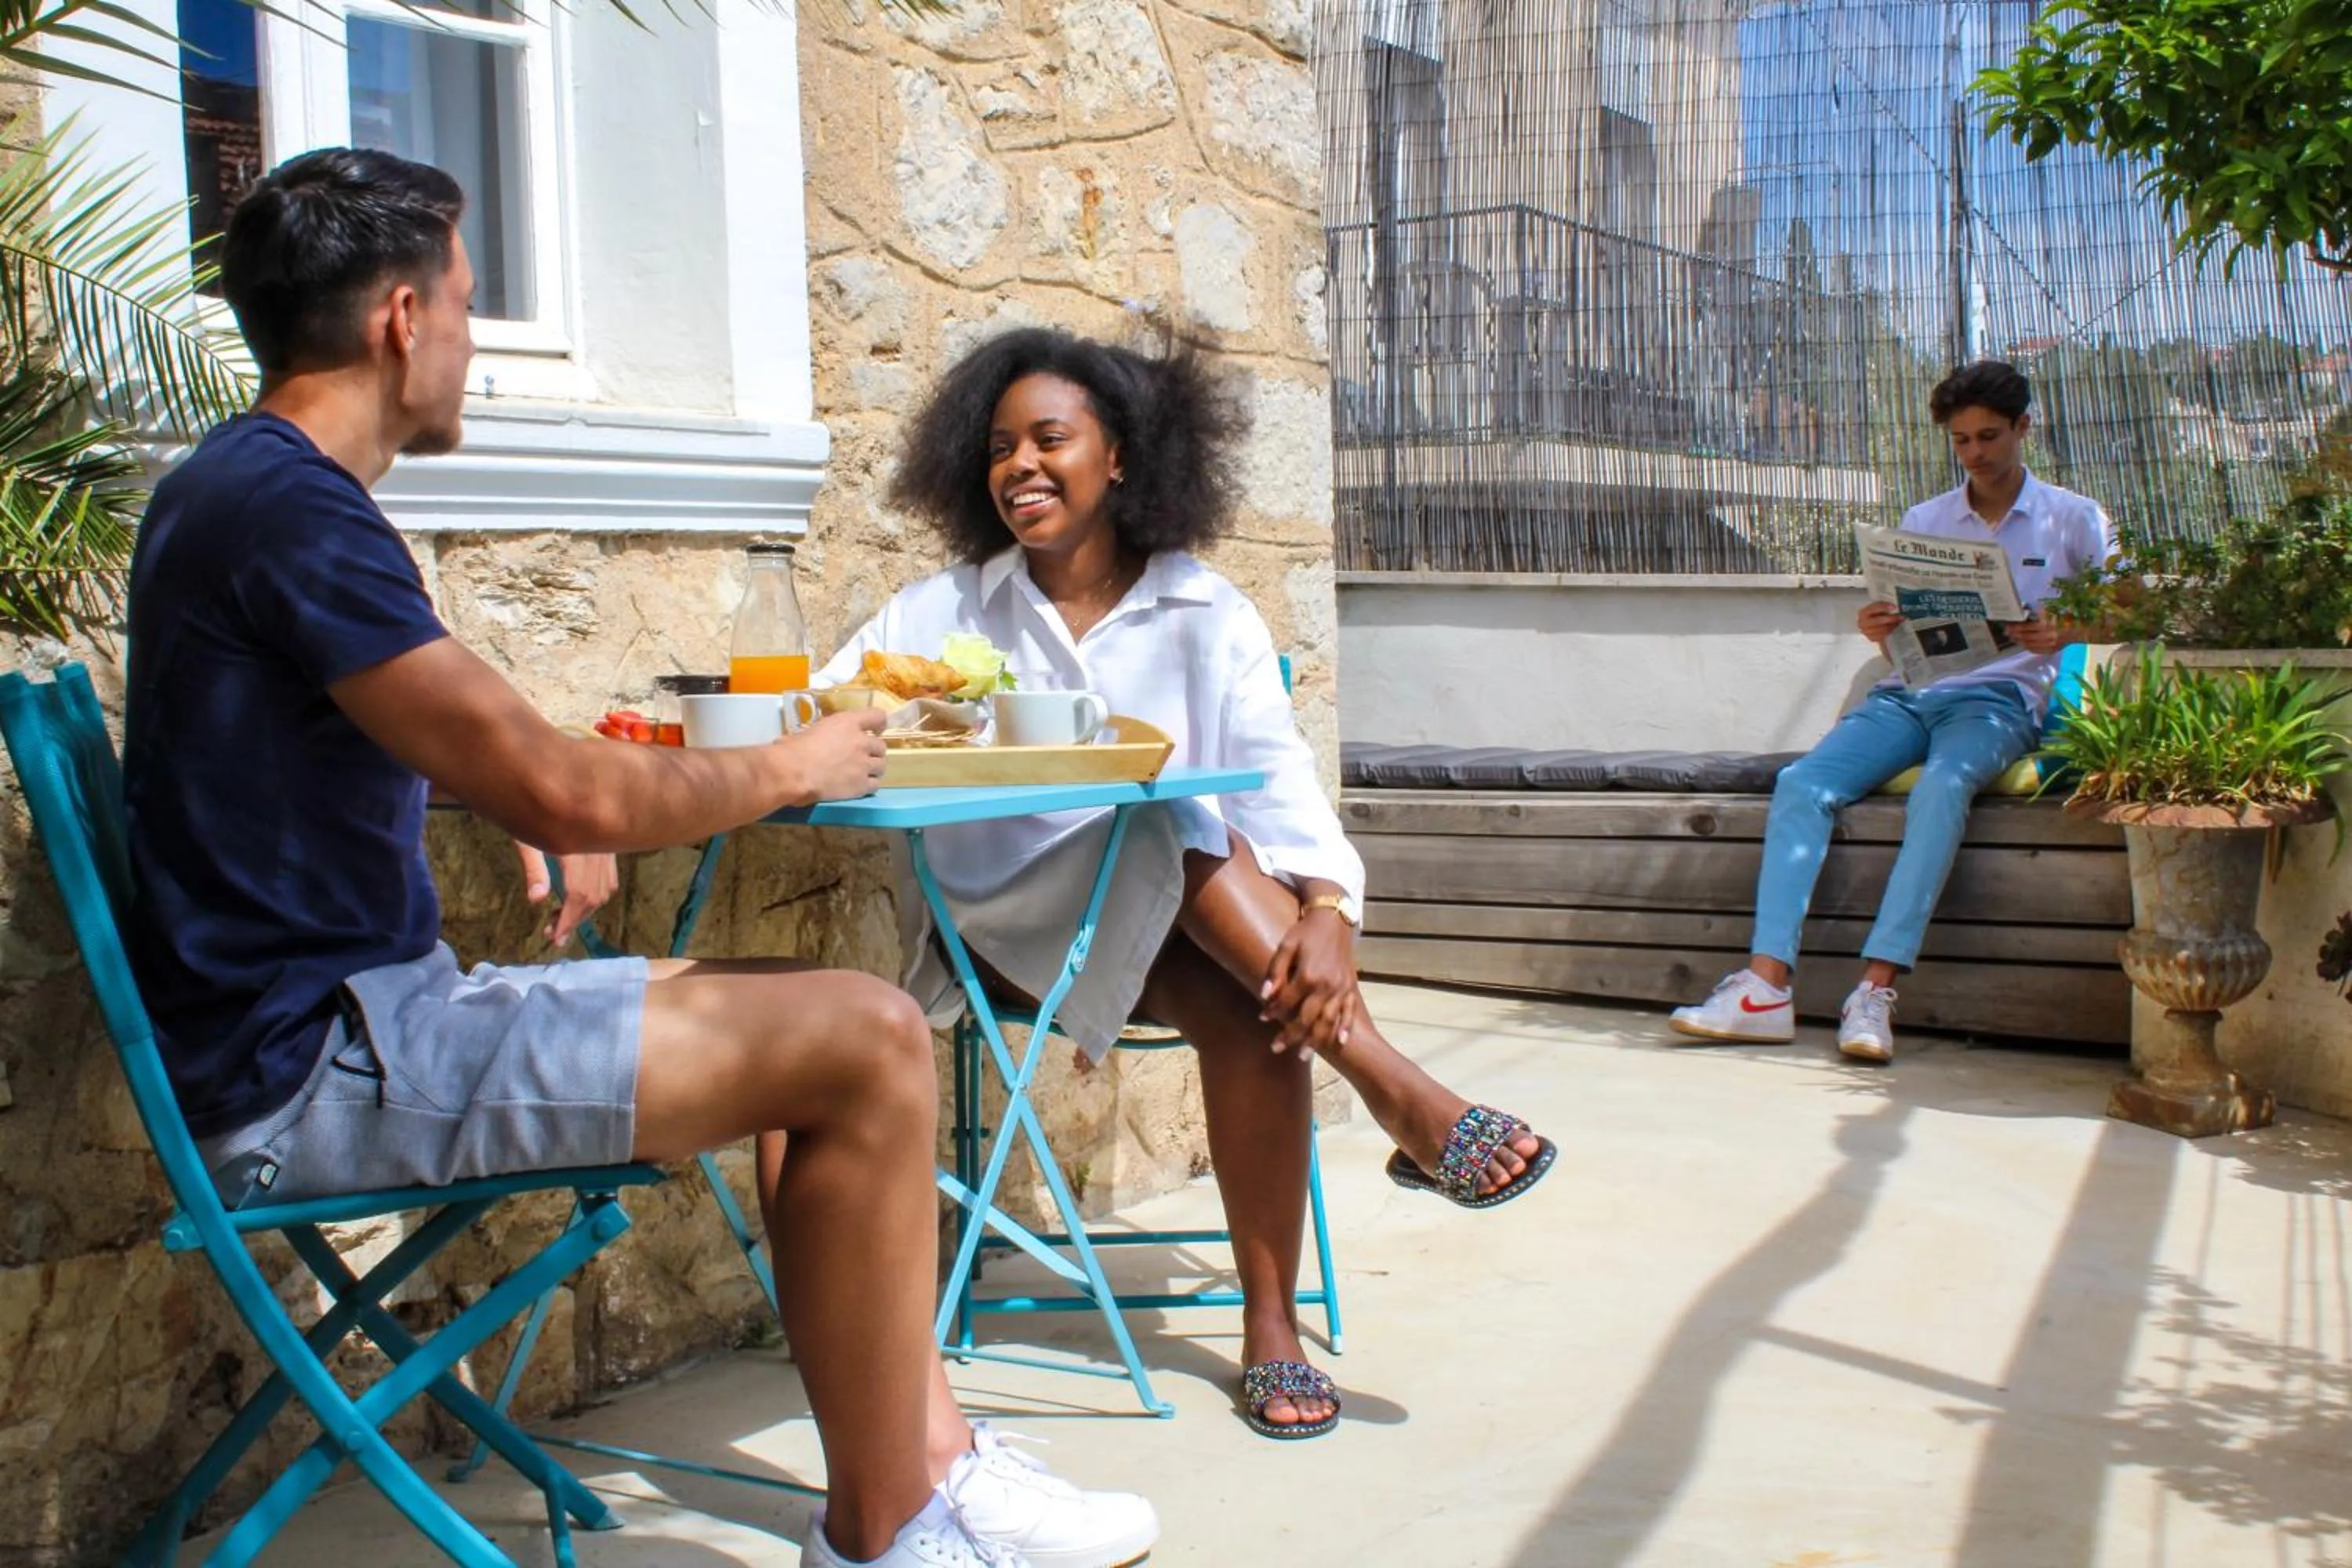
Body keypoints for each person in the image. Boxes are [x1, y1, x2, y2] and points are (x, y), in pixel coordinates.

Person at [122, 148, 1157, 1568]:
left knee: (820, 1030)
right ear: (402, 322)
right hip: (324, 1068)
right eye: (471, 307)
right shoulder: (291, 511)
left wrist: (544, 802)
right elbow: (559, 779)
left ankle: (930, 1466)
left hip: (337, 1027)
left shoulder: (243, 491)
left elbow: (466, 751)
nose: (476, 347)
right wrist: (776, 769)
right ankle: (888, 1528)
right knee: (861, 1038)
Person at [818, 328, 1559, 1443]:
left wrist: (1330, 914)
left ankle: (1273, 1330)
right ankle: (1398, 1088)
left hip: (1174, 926)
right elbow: (829, 707)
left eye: (1050, 439)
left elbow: (1276, 775)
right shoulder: (946, 612)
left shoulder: (1203, 606)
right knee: (1168, 803)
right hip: (1003, 928)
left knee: (1251, 1005)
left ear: (1121, 456)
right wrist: (918, 717)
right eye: (1000, 447)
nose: (1020, 465)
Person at [1669, 360, 2113, 1064]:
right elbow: (1898, 625)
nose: (1976, 454)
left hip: (1998, 701)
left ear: (2025, 427)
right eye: (1961, 441)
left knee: (1942, 786)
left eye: (1989, 436)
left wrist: (2071, 629)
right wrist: (1878, 625)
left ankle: (1873, 990)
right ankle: (1764, 988)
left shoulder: (2074, 517)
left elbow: (2132, 611)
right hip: (1910, 691)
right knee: (1802, 784)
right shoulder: (1925, 520)